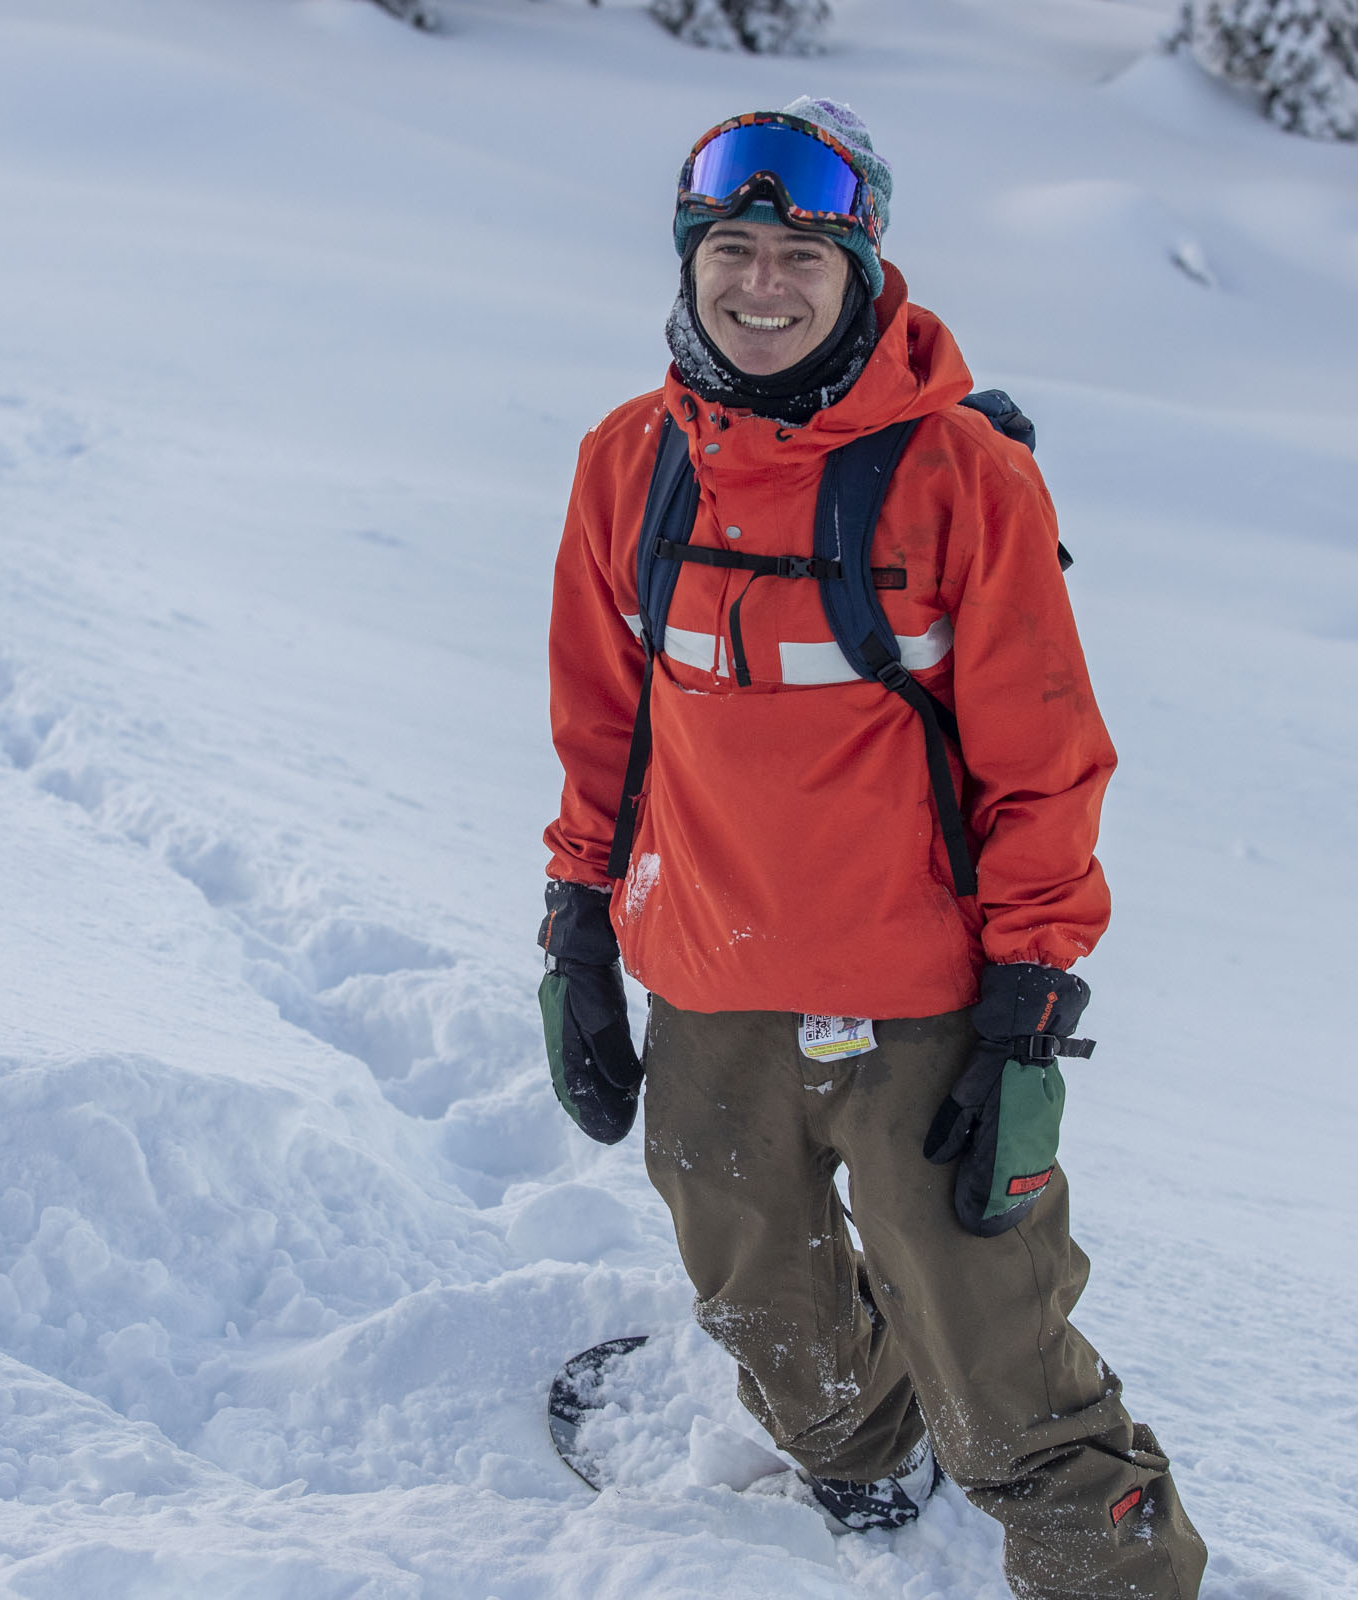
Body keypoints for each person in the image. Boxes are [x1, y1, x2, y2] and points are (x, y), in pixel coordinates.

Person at [536, 99, 1206, 1598]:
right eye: (732, 247)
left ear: (861, 273)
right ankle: (858, 1461)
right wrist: (577, 917)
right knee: (757, 1292)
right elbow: (606, 720)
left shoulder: (963, 477)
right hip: (710, 970)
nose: (761, 284)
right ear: (689, 260)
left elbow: (1045, 757)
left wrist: (1029, 996)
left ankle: (1113, 1578)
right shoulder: (629, 462)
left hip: (922, 993)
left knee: (995, 1340)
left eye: (801, 256)